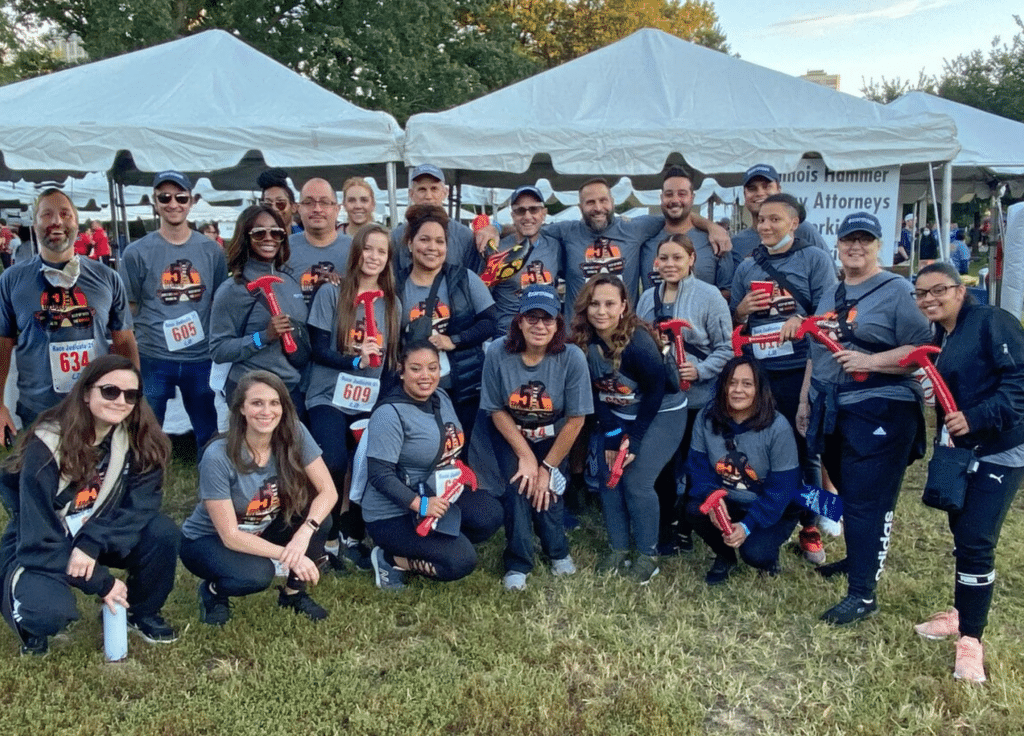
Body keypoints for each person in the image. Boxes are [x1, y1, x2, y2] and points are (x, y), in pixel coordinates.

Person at [798, 212, 931, 625]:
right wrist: (805, 400)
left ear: (879, 246)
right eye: (848, 239)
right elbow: (815, 350)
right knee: (848, 493)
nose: (856, 247)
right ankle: (858, 560)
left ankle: (863, 594)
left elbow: (923, 351)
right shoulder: (832, 292)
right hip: (832, 405)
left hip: (881, 407)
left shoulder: (897, 291)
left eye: (865, 240)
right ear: (837, 244)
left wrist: (871, 360)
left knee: (868, 501)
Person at [0, 354, 179, 655]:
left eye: (131, 395)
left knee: (162, 533)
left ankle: (142, 613)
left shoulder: (139, 437)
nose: (121, 401)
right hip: (43, 539)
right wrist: (101, 582)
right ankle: (29, 620)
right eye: (110, 391)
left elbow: (142, 505)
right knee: (49, 613)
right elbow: (38, 536)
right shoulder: (46, 444)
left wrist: (93, 542)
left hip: (92, 531)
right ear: (85, 393)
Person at [910, 263, 1024, 682]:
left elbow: (1019, 383)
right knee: (961, 532)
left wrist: (975, 418)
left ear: (960, 290)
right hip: (959, 450)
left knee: (977, 538)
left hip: (1001, 448)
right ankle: (961, 613)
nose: (929, 299)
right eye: (921, 294)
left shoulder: (993, 322)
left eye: (938, 290)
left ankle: (971, 641)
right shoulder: (943, 333)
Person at [179, 370, 337, 624]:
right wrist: (291, 554)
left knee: (320, 519)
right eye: (257, 403)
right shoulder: (218, 455)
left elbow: (328, 491)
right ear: (241, 408)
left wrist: (304, 533)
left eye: (274, 403)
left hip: (262, 525)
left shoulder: (294, 433)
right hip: (208, 540)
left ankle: (293, 594)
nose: (267, 411)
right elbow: (230, 535)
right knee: (257, 576)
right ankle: (212, 592)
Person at [731, 192, 837, 565]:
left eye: (775, 219)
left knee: (805, 450)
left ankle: (811, 525)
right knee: (761, 449)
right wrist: (741, 309)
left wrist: (804, 322)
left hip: (801, 370)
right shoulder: (747, 266)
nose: (765, 225)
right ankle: (768, 517)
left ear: (794, 223)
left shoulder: (814, 258)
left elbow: (831, 306)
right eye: (760, 219)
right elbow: (735, 319)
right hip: (761, 373)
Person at [570, 274, 687, 583]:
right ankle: (619, 548)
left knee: (635, 480)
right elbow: (593, 393)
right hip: (617, 411)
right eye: (594, 303)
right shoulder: (583, 339)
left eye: (610, 303)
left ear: (623, 307)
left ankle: (649, 554)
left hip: (660, 412)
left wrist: (633, 441)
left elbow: (656, 391)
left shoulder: (638, 342)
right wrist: (610, 436)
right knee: (609, 477)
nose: (601, 311)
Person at [476, 286, 592, 590]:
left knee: (548, 490)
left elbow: (577, 419)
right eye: (532, 318)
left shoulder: (572, 357)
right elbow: (494, 409)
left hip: (555, 434)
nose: (539, 326)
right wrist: (526, 457)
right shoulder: (498, 352)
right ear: (519, 321)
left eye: (547, 319)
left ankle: (557, 550)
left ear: (557, 324)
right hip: (511, 432)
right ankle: (518, 561)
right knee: (519, 488)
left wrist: (547, 467)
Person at [363, 342, 503, 590]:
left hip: (438, 494)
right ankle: (389, 558)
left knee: (489, 514)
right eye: (416, 369)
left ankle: (438, 545)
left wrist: (460, 467)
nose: (425, 376)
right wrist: (420, 504)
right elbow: (379, 475)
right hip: (394, 512)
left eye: (432, 368)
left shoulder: (441, 397)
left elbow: (448, 443)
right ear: (401, 371)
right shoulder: (389, 413)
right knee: (461, 562)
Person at [0, 188, 138, 433]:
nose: (56, 221)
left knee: (95, 471)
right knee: (42, 471)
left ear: (76, 223)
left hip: (96, 405)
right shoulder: (12, 280)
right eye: (47, 215)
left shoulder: (107, 278)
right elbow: (3, 343)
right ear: (34, 225)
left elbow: (125, 340)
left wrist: (131, 397)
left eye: (65, 214)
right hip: (38, 409)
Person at [306, 222, 401, 567]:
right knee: (333, 460)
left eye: (382, 251)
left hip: (369, 399)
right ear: (356, 251)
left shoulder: (392, 304)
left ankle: (351, 532)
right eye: (368, 248)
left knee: (364, 467)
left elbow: (390, 362)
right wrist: (355, 359)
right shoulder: (332, 294)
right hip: (328, 395)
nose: (374, 256)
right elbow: (317, 350)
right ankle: (324, 533)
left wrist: (385, 406)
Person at [636, 233, 733, 555]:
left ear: (692, 259)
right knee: (661, 465)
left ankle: (688, 528)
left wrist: (701, 370)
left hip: (698, 399)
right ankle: (663, 526)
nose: (669, 264)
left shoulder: (709, 297)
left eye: (677, 257)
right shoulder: (647, 298)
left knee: (694, 466)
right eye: (663, 258)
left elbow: (726, 347)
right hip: (660, 399)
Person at [119, 171, 228, 452]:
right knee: (144, 435)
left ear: (191, 201)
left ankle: (212, 493)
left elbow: (219, 300)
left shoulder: (212, 251)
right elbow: (128, 308)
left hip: (200, 357)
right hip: (154, 357)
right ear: (154, 202)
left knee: (209, 434)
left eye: (181, 198)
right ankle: (144, 490)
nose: (173, 204)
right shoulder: (136, 252)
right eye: (164, 198)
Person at [686, 356, 801, 584]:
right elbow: (697, 467)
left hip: (772, 505)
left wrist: (748, 525)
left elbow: (783, 487)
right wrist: (712, 497)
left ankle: (770, 556)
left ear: (759, 389)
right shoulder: (706, 418)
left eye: (747, 384)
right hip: (728, 499)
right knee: (693, 509)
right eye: (731, 382)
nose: (738, 390)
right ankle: (725, 556)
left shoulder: (778, 427)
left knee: (755, 553)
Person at [545, 177, 728, 317]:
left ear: (613, 202)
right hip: (579, 334)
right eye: (590, 202)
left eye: (603, 200)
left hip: (622, 334)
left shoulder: (634, 228)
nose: (598, 207)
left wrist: (712, 227)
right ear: (580, 206)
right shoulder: (566, 231)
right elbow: (531, 226)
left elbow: (676, 215)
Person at [397, 204, 496, 439]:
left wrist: (455, 340)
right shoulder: (395, 285)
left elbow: (490, 322)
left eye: (440, 241)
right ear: (410, 244)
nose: (432, 247)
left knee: (459, 447)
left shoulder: (465, 279)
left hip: (460, 387)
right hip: (412, 388)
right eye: (424, 240)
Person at [209, 205, 309, 404]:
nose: (269, 238)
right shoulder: (232, 289)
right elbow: (219, 350)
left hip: (292, 391)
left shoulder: (291, 282)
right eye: (259, 233)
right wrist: (263, 337)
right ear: (245, 236)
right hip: (251, 394)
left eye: (276, 232)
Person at [639, 167, 734, 298]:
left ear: (692, 198)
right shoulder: (645, 240)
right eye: (669, 194)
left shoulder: (715, 240)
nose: (675, 200)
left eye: (682, 194)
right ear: (661, 198)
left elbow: (728, 291)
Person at [484, 185, 561, 338]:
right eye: (520, 211)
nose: (527, 216)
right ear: (512, 215)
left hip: (543, 334)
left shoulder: (555, 246)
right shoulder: (497, 249)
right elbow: (483, 297)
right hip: (507, 334)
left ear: (544, 214)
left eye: (534, 210)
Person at [390, 165, 493, 274]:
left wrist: (496, 228)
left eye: (434, 189)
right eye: (422, 189)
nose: (428, 196)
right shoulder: (396, 237)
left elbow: (474, 279)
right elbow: (392, 281)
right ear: (411, 194)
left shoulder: (465, 236)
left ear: (445, 193)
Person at [730, 164, 829, 266]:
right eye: (752, 188)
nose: (760, 193)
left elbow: (829, 275)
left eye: (766, 186)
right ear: (745, 196)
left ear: (779, 190)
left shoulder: (803, 230)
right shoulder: (737, 243)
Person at [288, 178, 352, 306]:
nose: (317, 209)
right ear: (299, 208)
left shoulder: (354, 249)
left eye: (324, 202)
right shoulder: (284, 249)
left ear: (337, 209)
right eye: (308, 202)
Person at [258, 168, 302, 234]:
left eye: (280, 204)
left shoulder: (305, 240)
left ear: (293, 207)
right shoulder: (255, 239)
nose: (274, 209)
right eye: (267, 205)